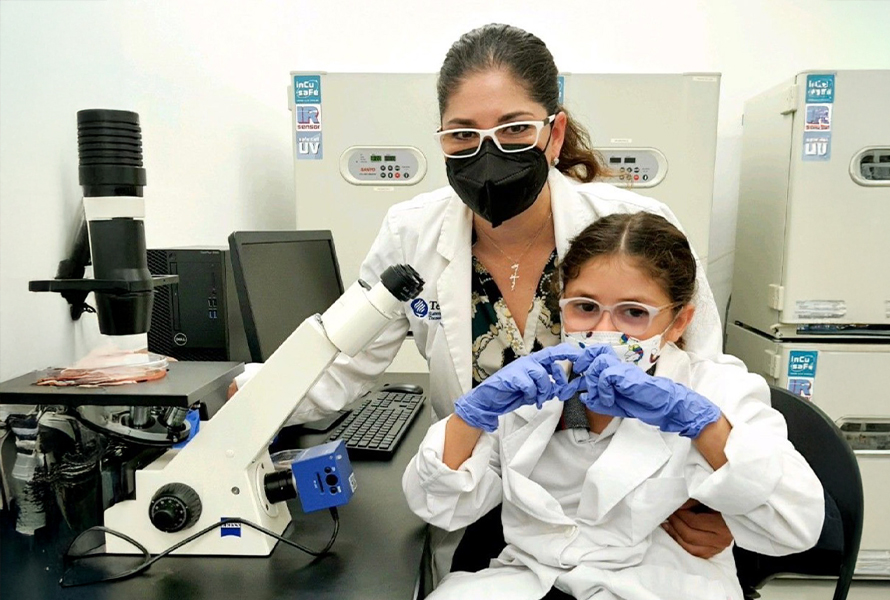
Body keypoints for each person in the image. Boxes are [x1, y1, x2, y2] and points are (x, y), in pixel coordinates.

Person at [233, 22, 733, 580]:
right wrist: (242, 401)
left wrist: (722, 501)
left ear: (555, 132)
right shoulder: (412, 233)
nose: (486, 154)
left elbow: (705, 376)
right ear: (442, 138)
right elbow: (345, 362)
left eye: (514, 129)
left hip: (630, 510)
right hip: (480, 500)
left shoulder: (631, 228)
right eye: (462, 135)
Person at [402, 212, 825, 600]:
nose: (604, 331)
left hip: (663, 584)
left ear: (678, 321)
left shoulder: (716, 389)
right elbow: (440, 503)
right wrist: (473, 414)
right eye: (585, 307)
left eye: (633, 313)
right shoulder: (536, 386)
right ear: (561, 306)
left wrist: (702, 425)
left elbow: (796, 524)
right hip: (530, 579)